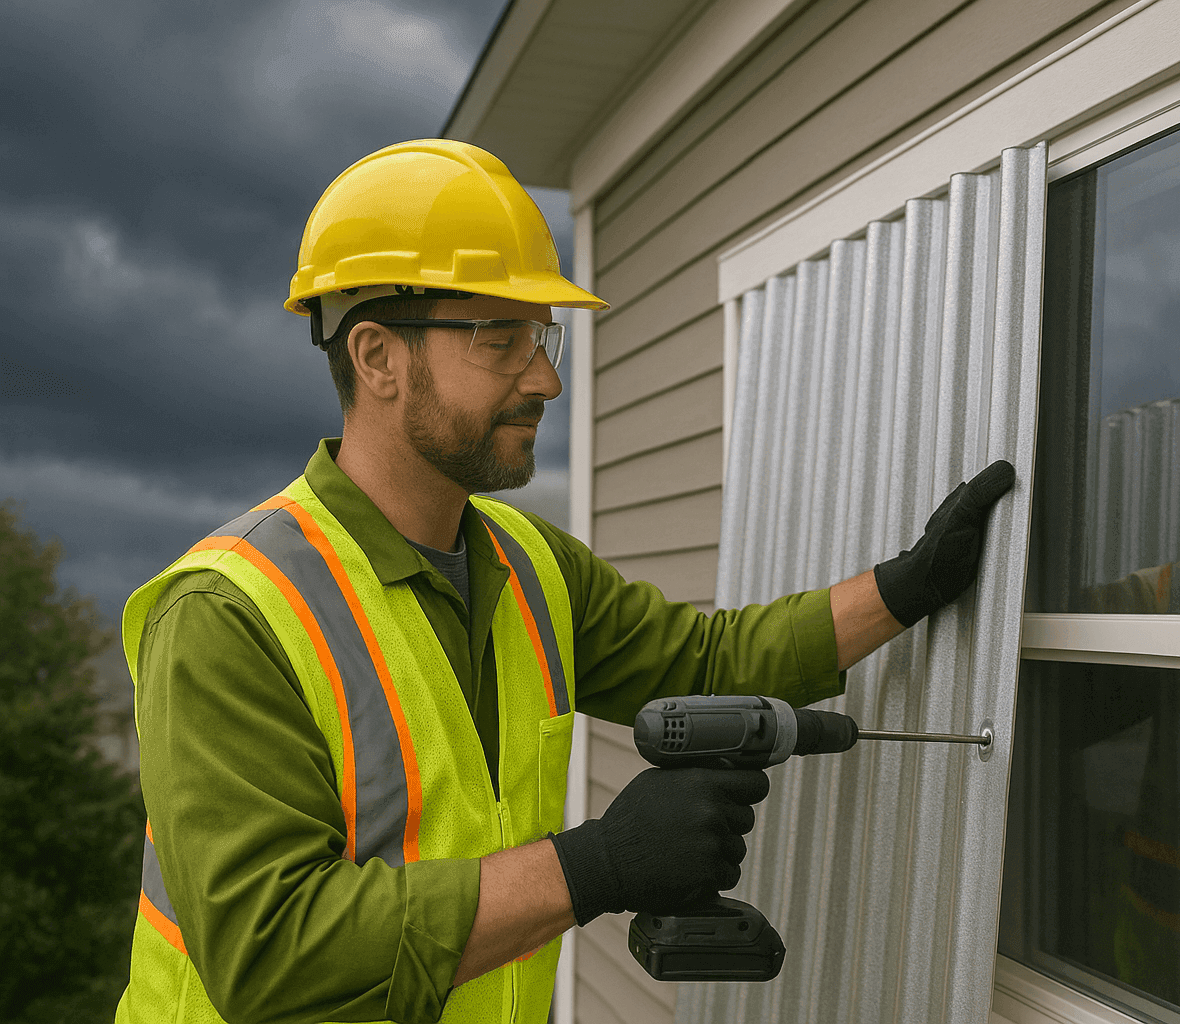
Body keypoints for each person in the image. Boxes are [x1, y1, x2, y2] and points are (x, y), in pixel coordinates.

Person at [114, 139, 1014, 1024]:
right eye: (501, 339)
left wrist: (904, 589)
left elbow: (707, 661)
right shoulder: (229, 614)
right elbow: (268, 953)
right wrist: (596, 864)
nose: (544, 377)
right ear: (378, 357)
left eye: (540, 339)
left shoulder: (529, 563)